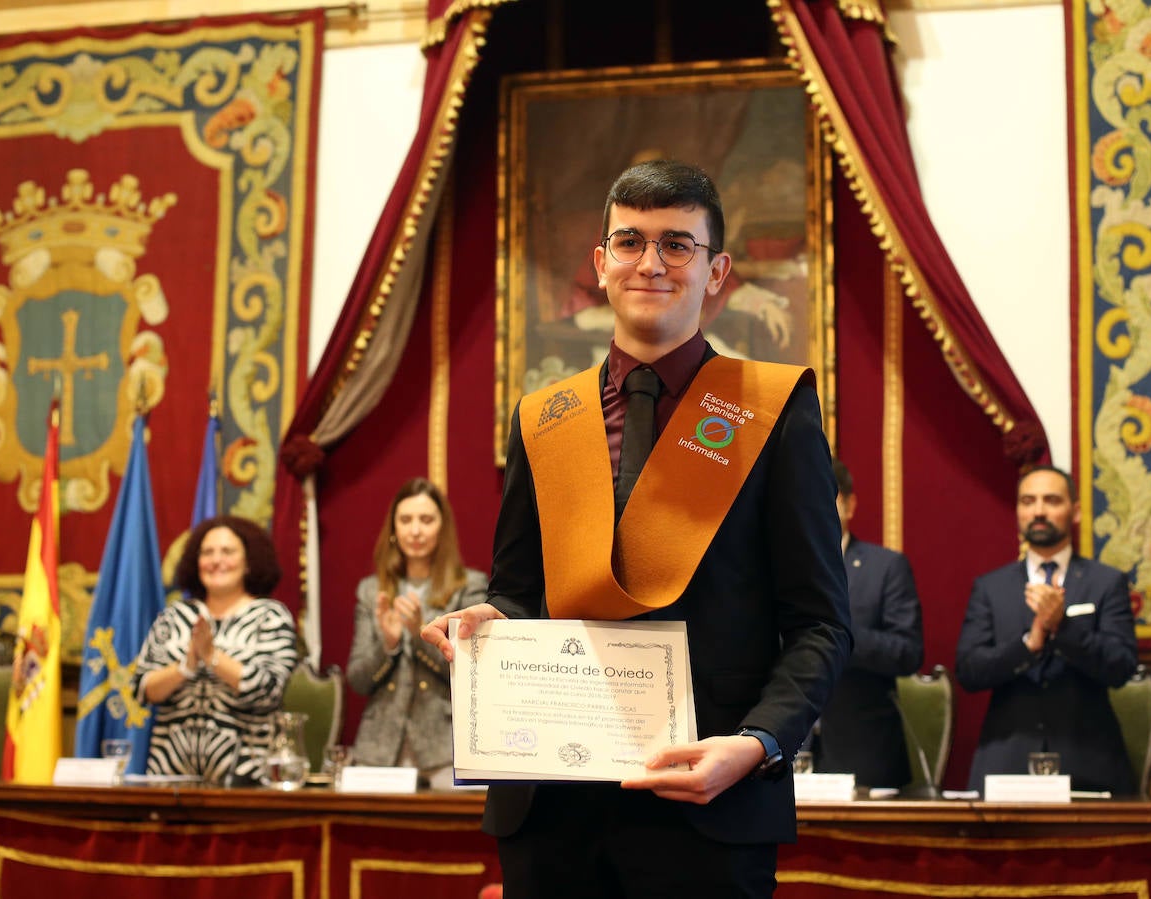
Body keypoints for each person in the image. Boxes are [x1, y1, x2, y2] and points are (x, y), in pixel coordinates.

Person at [422, 159, 851, 897]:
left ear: (716, 272)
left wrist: (754, 746)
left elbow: (820, 623)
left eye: (677, 244)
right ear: (602, 264)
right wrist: (490, 622)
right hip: (552, 808)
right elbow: (521, 592)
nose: (651, 262)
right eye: (630, 241)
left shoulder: (773, 413)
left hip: (704, 803)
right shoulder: (544, 418)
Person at [955, 465, 1139, 795]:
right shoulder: (990, 587)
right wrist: (1029, 643)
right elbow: (969, 671)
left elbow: (1121, 666)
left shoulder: (1106, 582)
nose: (1038, 511)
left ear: (1076, 511)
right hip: (1006, 759)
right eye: (1028, 501)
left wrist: (1063, 627)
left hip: (1089, 760)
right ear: (1018, 511)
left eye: (1051, 500)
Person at [134, 515, 298, 783]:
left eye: (227, 551)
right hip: (169, 775)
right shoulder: (175, 616)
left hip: (245, 778)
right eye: (207, 552)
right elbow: (142, 688)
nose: (216, 560)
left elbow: (268, 691)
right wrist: (185, 667)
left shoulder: (270, 617)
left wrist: (212, 657)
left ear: (248, 561)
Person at [346, 477, 488, 785]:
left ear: (442, 529)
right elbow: (357, 679)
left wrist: (418, 634)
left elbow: (473, 674)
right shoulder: (372, 591)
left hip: (444, 745)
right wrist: (389, 643)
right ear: (393, 529)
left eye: (426, 520)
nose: (415, 530)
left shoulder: (469, 588)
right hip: (380, 749)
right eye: (406, 520)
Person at [811, 458, 924, 789]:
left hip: (863, 752)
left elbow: (908, 652)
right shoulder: (775, 568)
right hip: (785, 748)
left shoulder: (886, 567)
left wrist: (839, 632)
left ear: (849, 505)